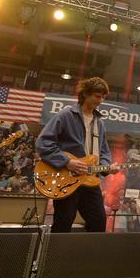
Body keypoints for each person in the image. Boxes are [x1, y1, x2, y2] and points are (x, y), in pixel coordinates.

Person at [36, 77, 119, 233]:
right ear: (85, 94)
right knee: (63, 222)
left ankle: (88, 256)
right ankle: (54, 257)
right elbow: (43, 143)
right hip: (67, 179)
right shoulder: (65, 115)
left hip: (90, 180)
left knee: (99, 222)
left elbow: (104, 150)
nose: (100, 100)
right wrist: (67, 161)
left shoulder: (99, 122)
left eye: (103, 97)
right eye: (97, 96)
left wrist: (107, 165)